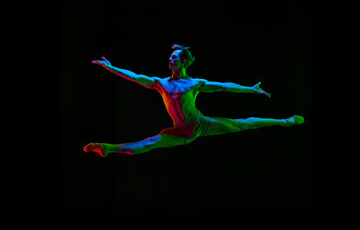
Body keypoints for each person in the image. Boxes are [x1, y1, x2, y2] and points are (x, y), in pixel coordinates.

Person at [84, 44, 304, 157]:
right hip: (179, 132)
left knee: (242, 124)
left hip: (200, 125)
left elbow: (224, 86)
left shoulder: (194, 84)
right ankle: (107, 148)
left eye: (174, 57)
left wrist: (251, 90)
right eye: (170, 57)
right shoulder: (160, 83)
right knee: (147, 144)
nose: (170, 59)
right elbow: (134, 76)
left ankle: (285, 121)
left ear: (183, 62)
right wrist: (110, 67)